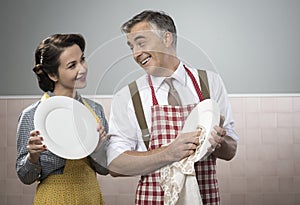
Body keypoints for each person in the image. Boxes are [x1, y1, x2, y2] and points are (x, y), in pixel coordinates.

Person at [106, 10, 238, 205]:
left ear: (167, 38)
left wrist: (219, 143)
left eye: (141, 43)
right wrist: (168, 153)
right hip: (153, 199)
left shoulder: (210, 82)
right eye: (131, 46)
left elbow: (231, 150)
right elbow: (115, 165)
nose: (135, 53)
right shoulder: (127, 96)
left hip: (204, 197)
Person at [16, 33, 109, 205]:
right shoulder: (32, 115)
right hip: (53, 198)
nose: (82, 68)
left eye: (82, 59)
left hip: (91, 197)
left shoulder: (96, 110)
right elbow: (25, 177)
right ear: (53, 74)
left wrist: (98, 149)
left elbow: (105, 169)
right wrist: (32, 157)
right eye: (72, 65)